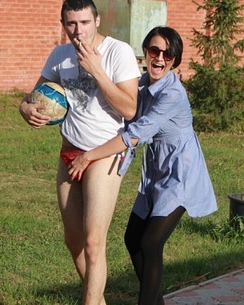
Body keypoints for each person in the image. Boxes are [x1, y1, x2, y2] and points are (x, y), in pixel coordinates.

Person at [68, 26, 218, 304]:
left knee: (150, 243)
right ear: (145, 52)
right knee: (132, 238)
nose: (159, 58)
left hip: (180, 174)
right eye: (154, 50)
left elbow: (133, 136)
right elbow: (118, 103)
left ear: (175, 59)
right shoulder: (141, 84)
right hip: (155, 173)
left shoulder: (172, 95)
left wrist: (89, 156)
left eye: (167, 54)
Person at [19, 0, 141, 304]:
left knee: (93, 243)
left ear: (97, 21)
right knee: (73, 241)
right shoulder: (60, 54)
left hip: (104, 155)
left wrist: (96, 70)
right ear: (63, 25)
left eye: (85, 22)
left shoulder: (118, 52)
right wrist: (25, 108)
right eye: (71, 24)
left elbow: (130, 110)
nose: (78, 30)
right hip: (70, 153)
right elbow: (34, 95)